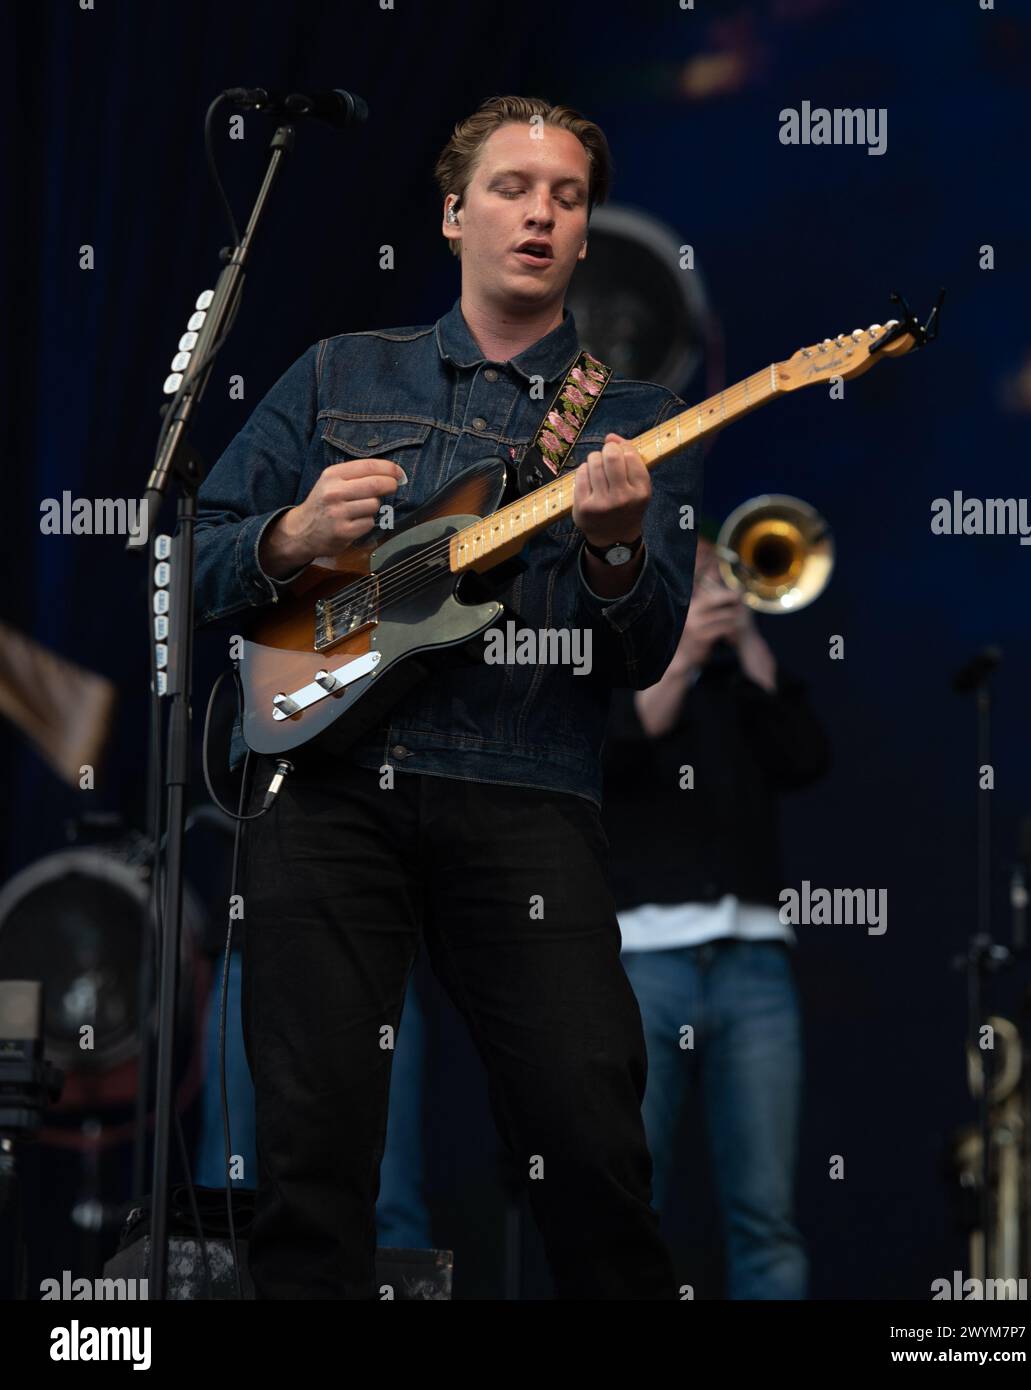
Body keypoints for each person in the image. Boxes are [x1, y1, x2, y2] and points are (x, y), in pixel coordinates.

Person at [192, 95, 705, 1298]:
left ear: (583, 236)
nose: (538, 213)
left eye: (565, 197)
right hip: (323, 791)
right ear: (451, 213)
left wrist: (616, 549)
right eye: (512, 188)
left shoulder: (623, 419)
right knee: (310, 1152)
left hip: (522, 792)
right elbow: (193, 554)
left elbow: (646, 646)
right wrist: (287, 533)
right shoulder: (336, 372)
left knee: (590, 1134)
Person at [600, 537, 830, 1298]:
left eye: (720, 574)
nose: (713, 588)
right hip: (646, 966)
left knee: (767, 1216)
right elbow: (623, 744)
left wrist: (748, 637)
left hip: (753, 964)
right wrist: (686, 650)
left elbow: (804, 757)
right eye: (696, 576)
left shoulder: (744, 680)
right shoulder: (624, 661)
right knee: (633, 1208)